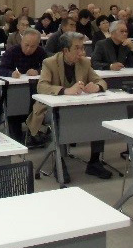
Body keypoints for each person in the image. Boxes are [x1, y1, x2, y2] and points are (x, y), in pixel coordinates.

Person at [26, 32, 110, 181]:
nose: (82, 52)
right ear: (65, 50)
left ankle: (95, 162)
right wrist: (65, 91)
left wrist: (96, 87)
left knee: (99, 116)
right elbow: (42, 86)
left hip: (77, 107)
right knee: (59, 120)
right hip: (50, 109)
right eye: (77, 48)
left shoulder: (84, 62)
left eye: (82, 48)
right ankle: (59, 162)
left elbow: (101, 81)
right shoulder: (50, 62)